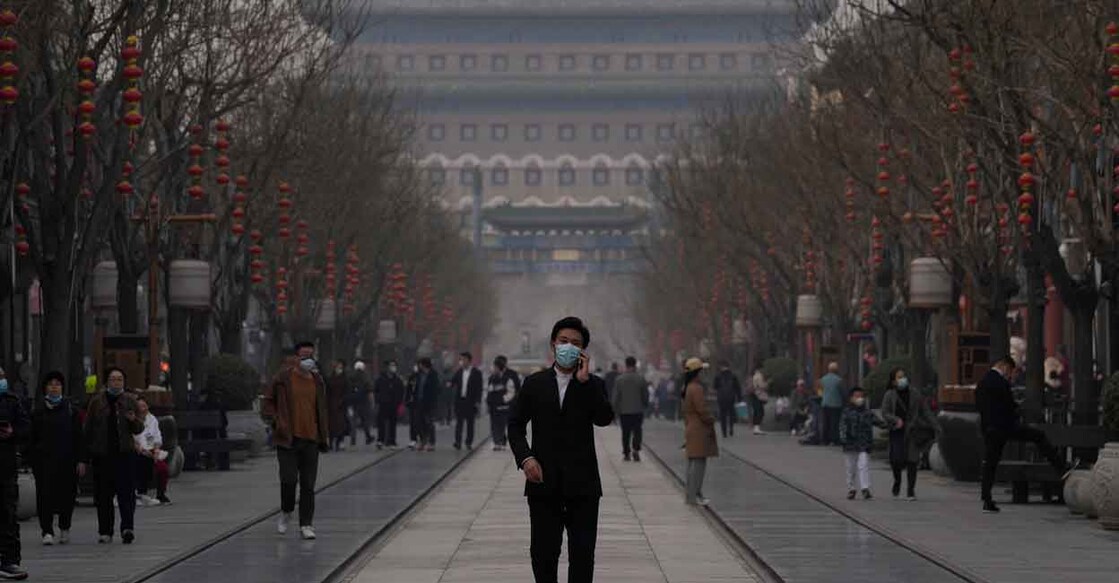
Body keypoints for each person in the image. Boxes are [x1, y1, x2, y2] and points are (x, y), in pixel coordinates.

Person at [508, 316, 614, 583]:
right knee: (543, 555)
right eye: (563, 341)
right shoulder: (534, 384)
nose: (568, 346)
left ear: (583, 351)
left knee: (582, 556)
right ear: (553, 344)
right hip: (543, 482)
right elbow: (515, 425)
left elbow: (604, 418)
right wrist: (526, 458)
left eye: (575, 343)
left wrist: (585, 381)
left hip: (583, 486)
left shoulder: (593, 385)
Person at [976, 357, 1070, 514]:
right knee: (1038, 436)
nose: (1010, 375)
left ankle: (986, 497)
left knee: (990, 463)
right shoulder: (1001, 383)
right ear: (1005, 367)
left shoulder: (982, 383)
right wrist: (1017, 412)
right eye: (1010, 372)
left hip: (989, 429)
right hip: (1006, 427)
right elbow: (1009, 406)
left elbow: (980, 407)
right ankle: (1060, 467)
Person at [262, 342, 330, 540]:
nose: (308, 360)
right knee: (288, 480)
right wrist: (276, 420)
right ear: (295, 358)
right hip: (288, 439)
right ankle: (286, 511)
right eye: (304, 356)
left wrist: (324, 434)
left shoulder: (318, 380)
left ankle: (306, 524)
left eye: (311, 356)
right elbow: (267, 401)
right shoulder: (283, 378)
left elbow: (322, 409)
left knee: (308, 485)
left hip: (311, 439)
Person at [84, 367, 144, 545]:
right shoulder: (96, 402)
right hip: (102, 455)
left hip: (124, 454)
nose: (116, 382)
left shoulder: (130, 400)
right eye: (113, 379)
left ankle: (127, 528)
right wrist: (86, 454)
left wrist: (133, 420)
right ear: (107, 382)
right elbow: (88, 428)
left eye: (120, 379)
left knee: (126, 494)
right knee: (103, 495)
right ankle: (105, 530)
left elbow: (140, 428)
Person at [28, 371, 83, 547]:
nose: (54, 387)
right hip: (44, 461)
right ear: (45, 388)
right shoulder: (38, 411)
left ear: (62, 388)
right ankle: (47, 531)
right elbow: (31, 437)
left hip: (68, 460)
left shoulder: (71, 410)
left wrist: (82, 460)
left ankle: (64, 527)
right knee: (44, 495)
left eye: (57, 384)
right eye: (51, 384)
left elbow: (79, 437)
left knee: (68, 495)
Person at [880, 367, 937, 500]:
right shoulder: (889, 394)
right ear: (893, 381)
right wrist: (895, 420)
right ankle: (897, 481)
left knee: (912, 460)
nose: (902, 379)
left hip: (912, 430)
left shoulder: (915, 394)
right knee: (896, 460)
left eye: (903, 376)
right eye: (899, 377)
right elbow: (885, 412)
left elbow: (925, 411)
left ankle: (911, 490)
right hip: (896, 431)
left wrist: (936, 425)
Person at [0, 366, 29, 579]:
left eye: (1, 376)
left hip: (6, 467)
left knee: (8, 514)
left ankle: (10, 561)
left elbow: (26, 429)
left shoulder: (12, 401)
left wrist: (12, 432)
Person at [682, 358, 717, 505]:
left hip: (691, 427)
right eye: (701, 370)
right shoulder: (696, 389)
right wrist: (711, 418)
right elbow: (702, 409)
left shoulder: (687, 388)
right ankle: (694, 495)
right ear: (697, 372)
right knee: (698, 465)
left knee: (694, 463)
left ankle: (692, 494)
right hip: (699, 429)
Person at [840, 387, 881, 500]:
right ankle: (851, 488)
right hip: (850, 443)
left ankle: (865, 488)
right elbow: (842, 427)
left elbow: (879, 422)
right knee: (851, 468)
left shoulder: (867, 413)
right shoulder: (847, 412)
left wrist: (893, 424)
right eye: (857, 396)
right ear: (851, 398)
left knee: (863, 465)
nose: (860, 398)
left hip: (864, 443)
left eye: (861, 396)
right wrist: (843, 440)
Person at [133, 397, 171, 506]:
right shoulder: (132, 419)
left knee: (162, 468)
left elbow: (157, 438)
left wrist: (157, 450)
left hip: (152, 449)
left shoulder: (152, 419)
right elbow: (132, 439)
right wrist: (142, 450)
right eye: (139, 406)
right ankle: (140, 493)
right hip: (138, 451)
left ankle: (161, 494)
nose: (142, 409)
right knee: (141, 463)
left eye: (144, 406)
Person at [611, 356, 648, 462]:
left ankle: (626, 453)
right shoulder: (641, 379)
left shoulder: (619, 379)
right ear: (635, 364)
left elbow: (616, 397)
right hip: (637, 410)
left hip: (624, 411)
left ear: (626, 364)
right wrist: (645, 405)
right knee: (637, 431)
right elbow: (645, 395)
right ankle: (636, 449)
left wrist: (615, 410)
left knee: (625, 432)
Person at [450, 352, 484, 451]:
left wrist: (478, 401)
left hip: (471, 401)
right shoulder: (459, 372)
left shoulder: (476, 373)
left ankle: (468, 442)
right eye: (461, 360)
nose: (462, 362)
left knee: (470, 423)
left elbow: (479, 388)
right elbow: (453, 382)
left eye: (463, 359)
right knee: (459, 423)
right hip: (460, 401)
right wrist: (450, 384)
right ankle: (457, 442)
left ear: (469, 360)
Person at [487, 356, 519, 451]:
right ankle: (497, 442)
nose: (494, 368)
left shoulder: (511, 375)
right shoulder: (492, 377)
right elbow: (489, 391)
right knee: (495, 424)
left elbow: (515, 390)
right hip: (494, 405)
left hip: (507, 405)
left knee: (505, 424)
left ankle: (503, 441)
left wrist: (504, 400)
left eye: (495, 366)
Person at [408, 358, 442, 451]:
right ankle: (423, 440)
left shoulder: (433, 375)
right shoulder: (418, 375)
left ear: (424, 365)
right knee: (418, 423)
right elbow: (414, 387)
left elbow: (437, 389)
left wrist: (433, 400)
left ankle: (431, 442)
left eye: (420, 364)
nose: (419, 366)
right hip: (419, 402)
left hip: (429, 403)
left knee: (429, 423)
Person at [374, 360, 405, 450]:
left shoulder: (398, 380)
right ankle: (380, 440)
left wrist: (400, 403)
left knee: (392, 424)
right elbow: (376, 390)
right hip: (383, 404)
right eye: (391, 365)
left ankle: (392, 441)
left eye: (394, 365)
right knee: (381, 423)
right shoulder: (381, 379)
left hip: (394, 404)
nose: (393, 367)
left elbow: (401, 392)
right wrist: (378, 400)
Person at [347, 361, 375, 446]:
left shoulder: (351, 376)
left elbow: (347, 389)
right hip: (364, 401)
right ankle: (368, 437)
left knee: (353, 422)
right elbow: (370, 390)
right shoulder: (365, 376)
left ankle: (353, 440)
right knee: (365, 421)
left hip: (353, 401)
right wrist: (372, 402)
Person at [713, 361, 742, 439]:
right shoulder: (733, 376)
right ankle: (731, 428)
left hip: (721, 398)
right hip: (731, 397)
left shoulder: (718, 376)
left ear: (721, 367)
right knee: (731, 413)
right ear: (728, 366)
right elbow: (737, 387)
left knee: (723, 415)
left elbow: (715, 387)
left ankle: (724, 432)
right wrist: (739, 398)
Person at [819, 362, 846, 445]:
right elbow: (842, 392)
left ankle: (825, 439)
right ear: (836, 370)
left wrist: (823, 396)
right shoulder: (839, 380)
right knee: (834, 423)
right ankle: (835, 439)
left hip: (825, 403)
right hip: (836, 404)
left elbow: (820, 391)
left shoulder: (823, 379)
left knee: (826, 422)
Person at [326, 360, 350, 452]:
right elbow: (327, 390)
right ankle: (331, 442)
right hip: (331, 404)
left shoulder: (345, 379)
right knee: (331, 425)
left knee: (341, 424)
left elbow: (347, 391)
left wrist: (344, 400)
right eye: (337, 367)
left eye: (340, 367)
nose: (338, 369)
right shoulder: (330, 378)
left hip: (341, 404)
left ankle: (339, 442)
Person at [747, 367, 768, 435]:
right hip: (758, 395)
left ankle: (756, 428)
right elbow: (761, 385)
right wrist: (766, 384)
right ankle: (757, 428)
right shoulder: (758, 376)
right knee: (759, 411)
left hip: (753, 394)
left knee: (756, 411)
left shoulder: (752, 376)